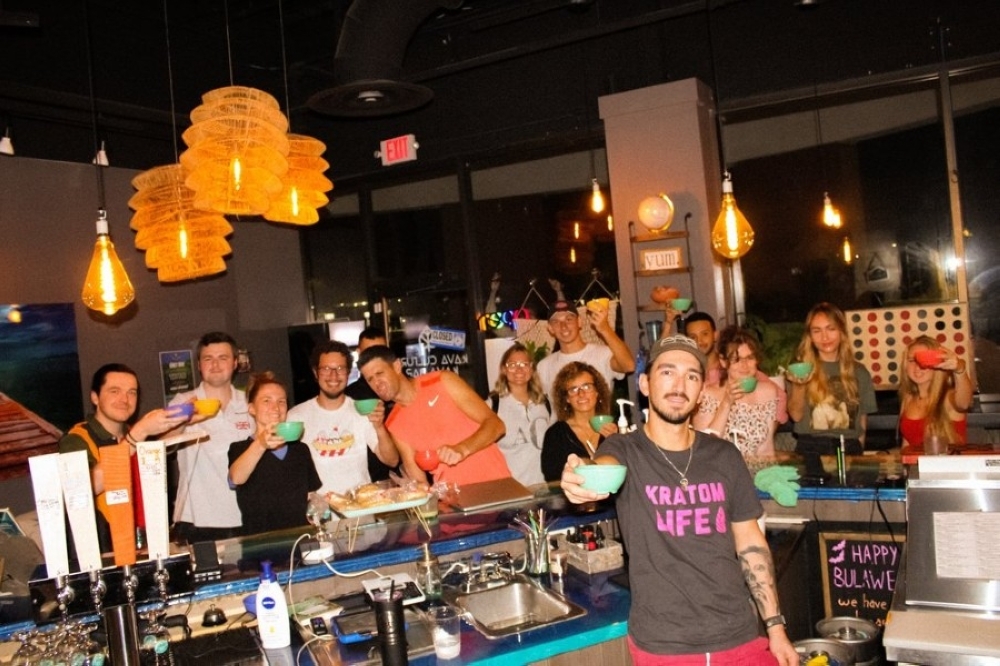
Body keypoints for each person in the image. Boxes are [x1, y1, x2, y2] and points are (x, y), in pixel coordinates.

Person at [560, 336, 798, 665]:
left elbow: (751, 545)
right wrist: (582, 478)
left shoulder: (724, 456)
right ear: (644, 384)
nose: (679, 385)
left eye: (691, 376)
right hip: (664, 646)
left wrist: (775, 627)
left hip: (739, 636)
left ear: (701, 392)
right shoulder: (625, 449)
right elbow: (602, 468)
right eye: (667, 372)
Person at [59, 363, 192, 552]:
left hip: (143, 543)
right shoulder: (77, 438)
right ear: (95, 397)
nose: (125, 399)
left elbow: (157, 449)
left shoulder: (131, 433)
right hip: (102, 548)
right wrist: (139, 432)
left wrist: (182, 422)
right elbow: (82, 488)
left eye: (132, 392)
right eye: (115, 391)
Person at [358, 345, 511, 486]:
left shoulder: (441, 381)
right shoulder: (393, 422)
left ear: (397, 366)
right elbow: (419, 481)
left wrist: (462, 449)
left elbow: (497, 426)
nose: (377, 383)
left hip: (496, 486)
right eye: (370, 379)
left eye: (380, 373)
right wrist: (409, 489)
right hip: (454, 505)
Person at [286, 340, 399, 495]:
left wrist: (379, 426)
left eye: (340, 368)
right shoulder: (296, 416)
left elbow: (392, 460)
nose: (334, 375)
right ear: (315, 373)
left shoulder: (362, 411)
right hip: (320, 514)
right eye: (326, 368)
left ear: (348, 373)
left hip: (362, 510)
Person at [171, 332, 252, 543]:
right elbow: (162, 443)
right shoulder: (184, 402)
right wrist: (185, 420)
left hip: (244, 515)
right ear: (199, 365)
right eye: (208, 359)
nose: (215, 365)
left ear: (235, 363)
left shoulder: (248, 403)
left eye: (223, 358)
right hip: (196, 519)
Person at [228, 372, 321, 535]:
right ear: (251, 409)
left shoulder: (300, 450)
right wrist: (261, 444)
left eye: (281, 401)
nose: (276, 408)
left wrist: (321, 505)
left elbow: (310, 495)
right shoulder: (240, 448)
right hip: (258, 544)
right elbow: (236, 478)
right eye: (266, 401)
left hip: (301, 541)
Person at [787, 303, 877, 466]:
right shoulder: (800, 369)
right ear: (810, 336)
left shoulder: (859, 371)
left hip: (849, 446)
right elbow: (795, 416)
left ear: (842, 331)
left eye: (831, 329)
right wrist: (798, 386)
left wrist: (860, 451)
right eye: (817, 331)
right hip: (810, 447)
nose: (825, 337)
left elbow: (862, 420)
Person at [694, 326, 782, 458]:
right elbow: (705, 448)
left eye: (750, 358)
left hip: (756, 471)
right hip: (719, 470)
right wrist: (726, 403)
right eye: (736, 359)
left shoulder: (769, 391)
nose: (744, 365)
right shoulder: (707, 394)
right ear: (723, 361)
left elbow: (766, 449)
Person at [536, 299, 635, 400]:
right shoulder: (544, 366)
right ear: (550, 328)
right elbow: (535, 400)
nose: (564, 326)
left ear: (579, 322)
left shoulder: (603, 354)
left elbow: (628, 366)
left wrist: (605, 329)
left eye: (569, 319)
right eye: (556, 322)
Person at [488, 342, 552, 487]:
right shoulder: (492, 405)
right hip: (509, 492)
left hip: (544, 489)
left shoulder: (545, 403)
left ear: (531, 369)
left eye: (524, 364)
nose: (519, 369)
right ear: (504, 369)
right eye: (512, 364)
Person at [541, 362, 616, 482]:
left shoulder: (613, 429)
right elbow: (553, 477)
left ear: (597, 392)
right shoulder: (555, 434)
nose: (581, 394)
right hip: (574, 498)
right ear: (566, 398)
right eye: (573, 389)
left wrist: (617, 441)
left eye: (587, 387)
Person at [898, 335, 973, 447]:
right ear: (905, 365)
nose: (918, 367)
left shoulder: (948, 397)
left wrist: (960, 369)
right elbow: (907, 443)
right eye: (912, 360)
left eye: (923, 360)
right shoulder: (908, 398)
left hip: (948, 464)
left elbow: (964, 403)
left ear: (938, 363)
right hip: (916, 464)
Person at [345, 326, 397, 482]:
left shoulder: (401, 386)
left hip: (409, 470)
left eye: (379, 352)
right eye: (368, 353)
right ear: (359, 354)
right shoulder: (350, 396)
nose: (373, 359)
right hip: (373, 478)